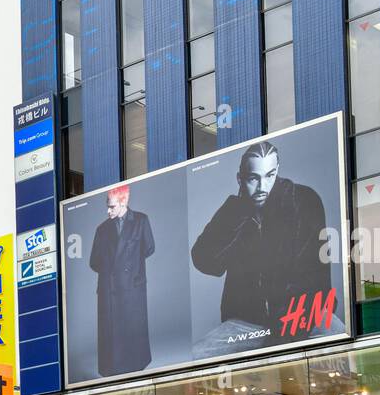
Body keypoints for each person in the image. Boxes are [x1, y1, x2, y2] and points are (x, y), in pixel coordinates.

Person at [190, 140, 331, 342]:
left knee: (337, 350)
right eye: (253, 179)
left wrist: (283, 335)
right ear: (240, 179)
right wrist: (239, 213)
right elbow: (205, 261)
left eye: (270, 176)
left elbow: (314, 278)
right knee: (200, 357)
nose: (262, 187)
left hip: (304, 316)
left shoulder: (302, 200)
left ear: (277, 171)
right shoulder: (235, 210)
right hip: (245, 323)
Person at [88, 183, 156, 376]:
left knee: (133, 328)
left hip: (132, 286)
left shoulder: (141, 220)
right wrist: (111, 270)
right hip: (109, 290)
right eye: (107, 206)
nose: (107, 210)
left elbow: (149, 248)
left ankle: (136, 365)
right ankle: (111, 369)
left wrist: (130, 265)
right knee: (111, 336)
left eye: (112, 206)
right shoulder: (102, 229)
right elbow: (94, 261)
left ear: (124, 201)